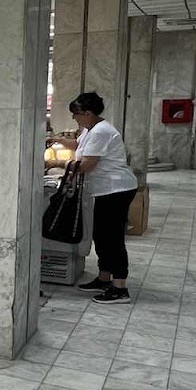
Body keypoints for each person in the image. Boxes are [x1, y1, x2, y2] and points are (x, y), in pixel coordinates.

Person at [52, 91, 138, 303]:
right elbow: (79, 146)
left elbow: (87, 164)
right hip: (105, 190)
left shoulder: (101, 131)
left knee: (112, 238)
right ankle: (104, 278)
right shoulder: (91, 129)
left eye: (76, 114)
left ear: (88, 113)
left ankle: (120, 288)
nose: (75, 118)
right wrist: (55, 140)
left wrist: (54, 164)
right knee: (101, 235)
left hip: (116, 189)